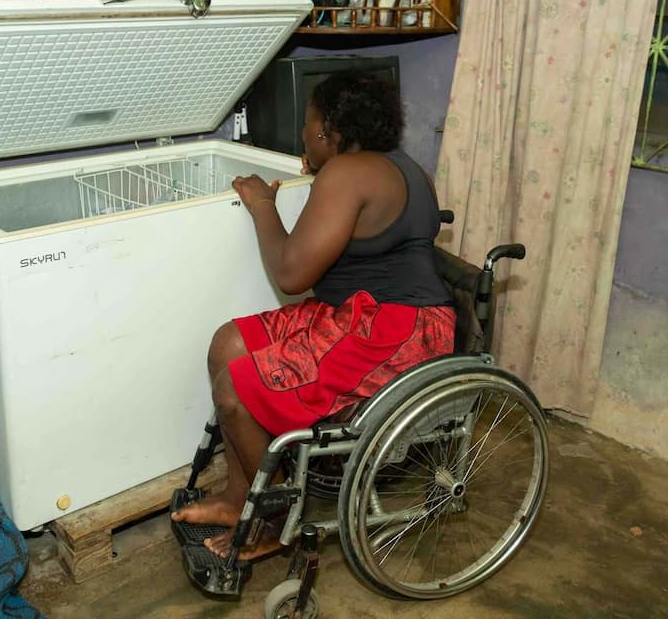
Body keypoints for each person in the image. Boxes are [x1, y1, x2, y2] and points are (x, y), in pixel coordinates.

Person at [171, 71, 456, 559]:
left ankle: (273, 513)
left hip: (395, 331)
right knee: (228, 345)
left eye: (309, 124)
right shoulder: (403, 167)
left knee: (235, 387)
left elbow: (290, 273)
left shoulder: (347, 174)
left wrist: (263, 204)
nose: (303, 133)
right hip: (356, 314)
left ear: (327, 133)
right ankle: (239, 497)